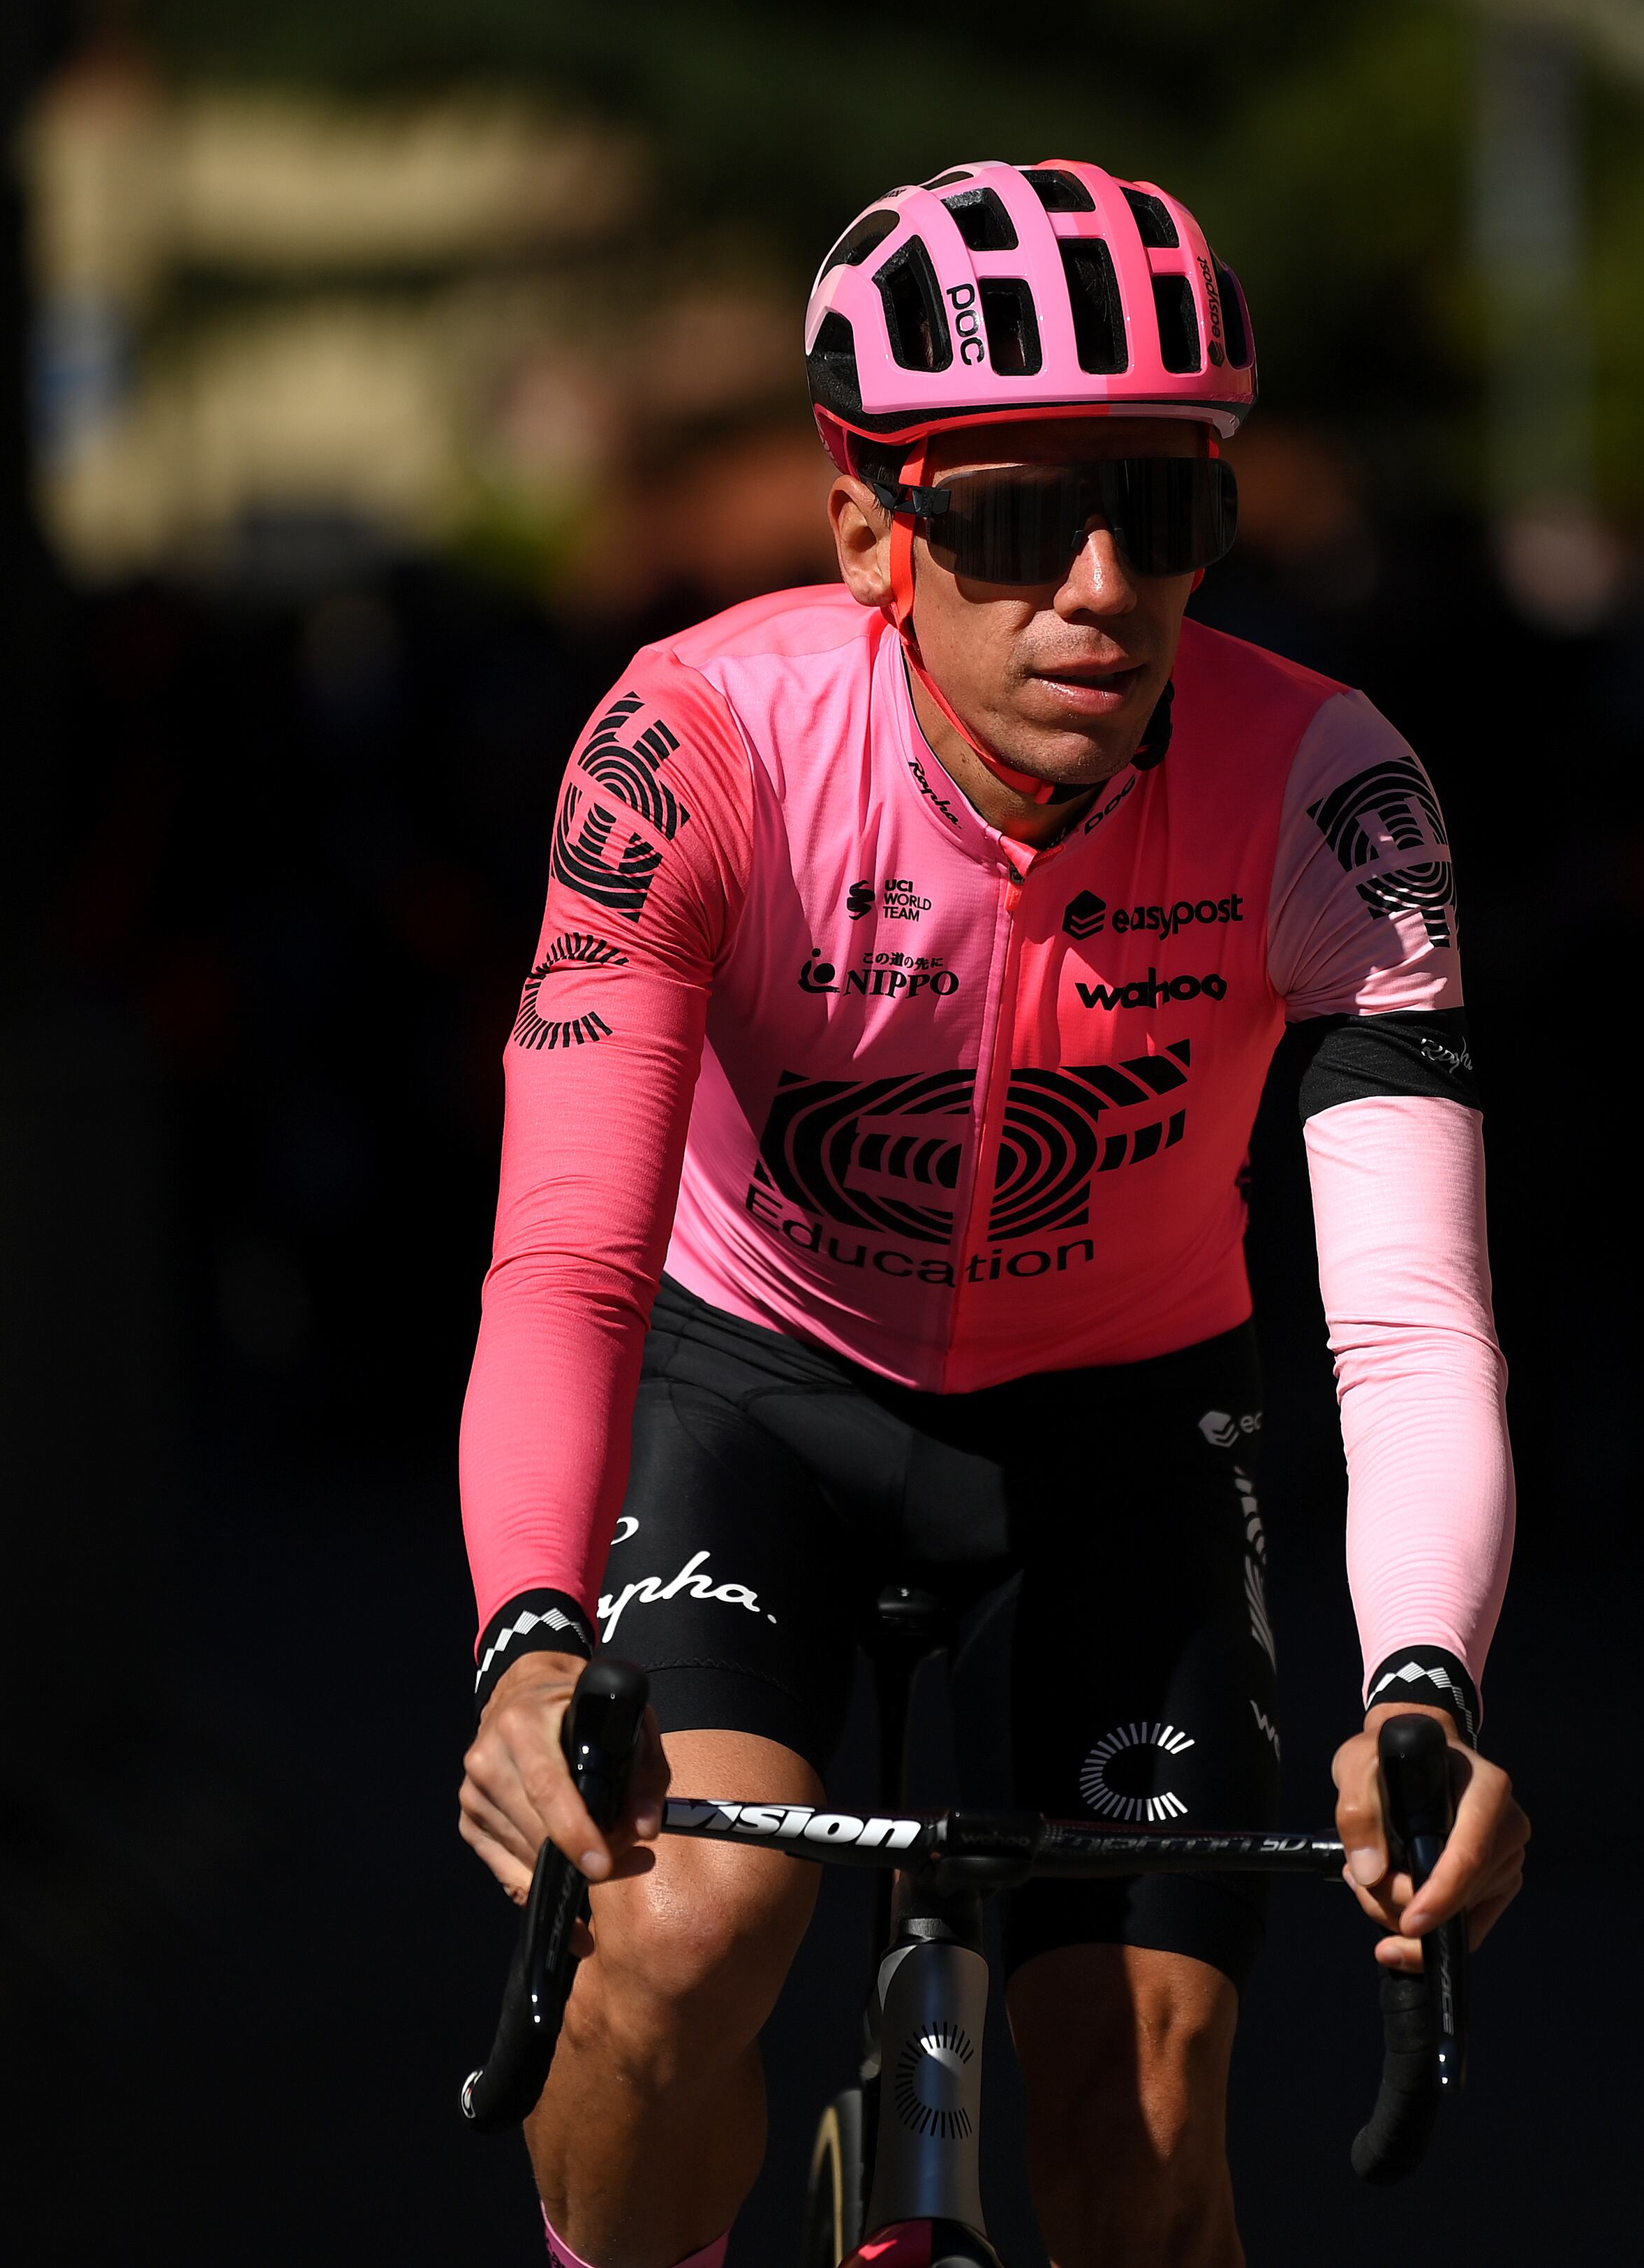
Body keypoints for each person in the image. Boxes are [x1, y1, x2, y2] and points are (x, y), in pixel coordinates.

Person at [451, 160, 1530, 2268]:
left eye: (1171, 507)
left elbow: (1406, 1325)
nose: (1106, 588)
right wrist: (526, 1642)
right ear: (872, 527)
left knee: (1140, 2123)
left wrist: (1428, 1691)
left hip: (1125, 1436)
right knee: (678, 1944)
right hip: (756, 1398)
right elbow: (569, 1257)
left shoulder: (1330, 792)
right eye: (1023, 517)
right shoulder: (697, 753)